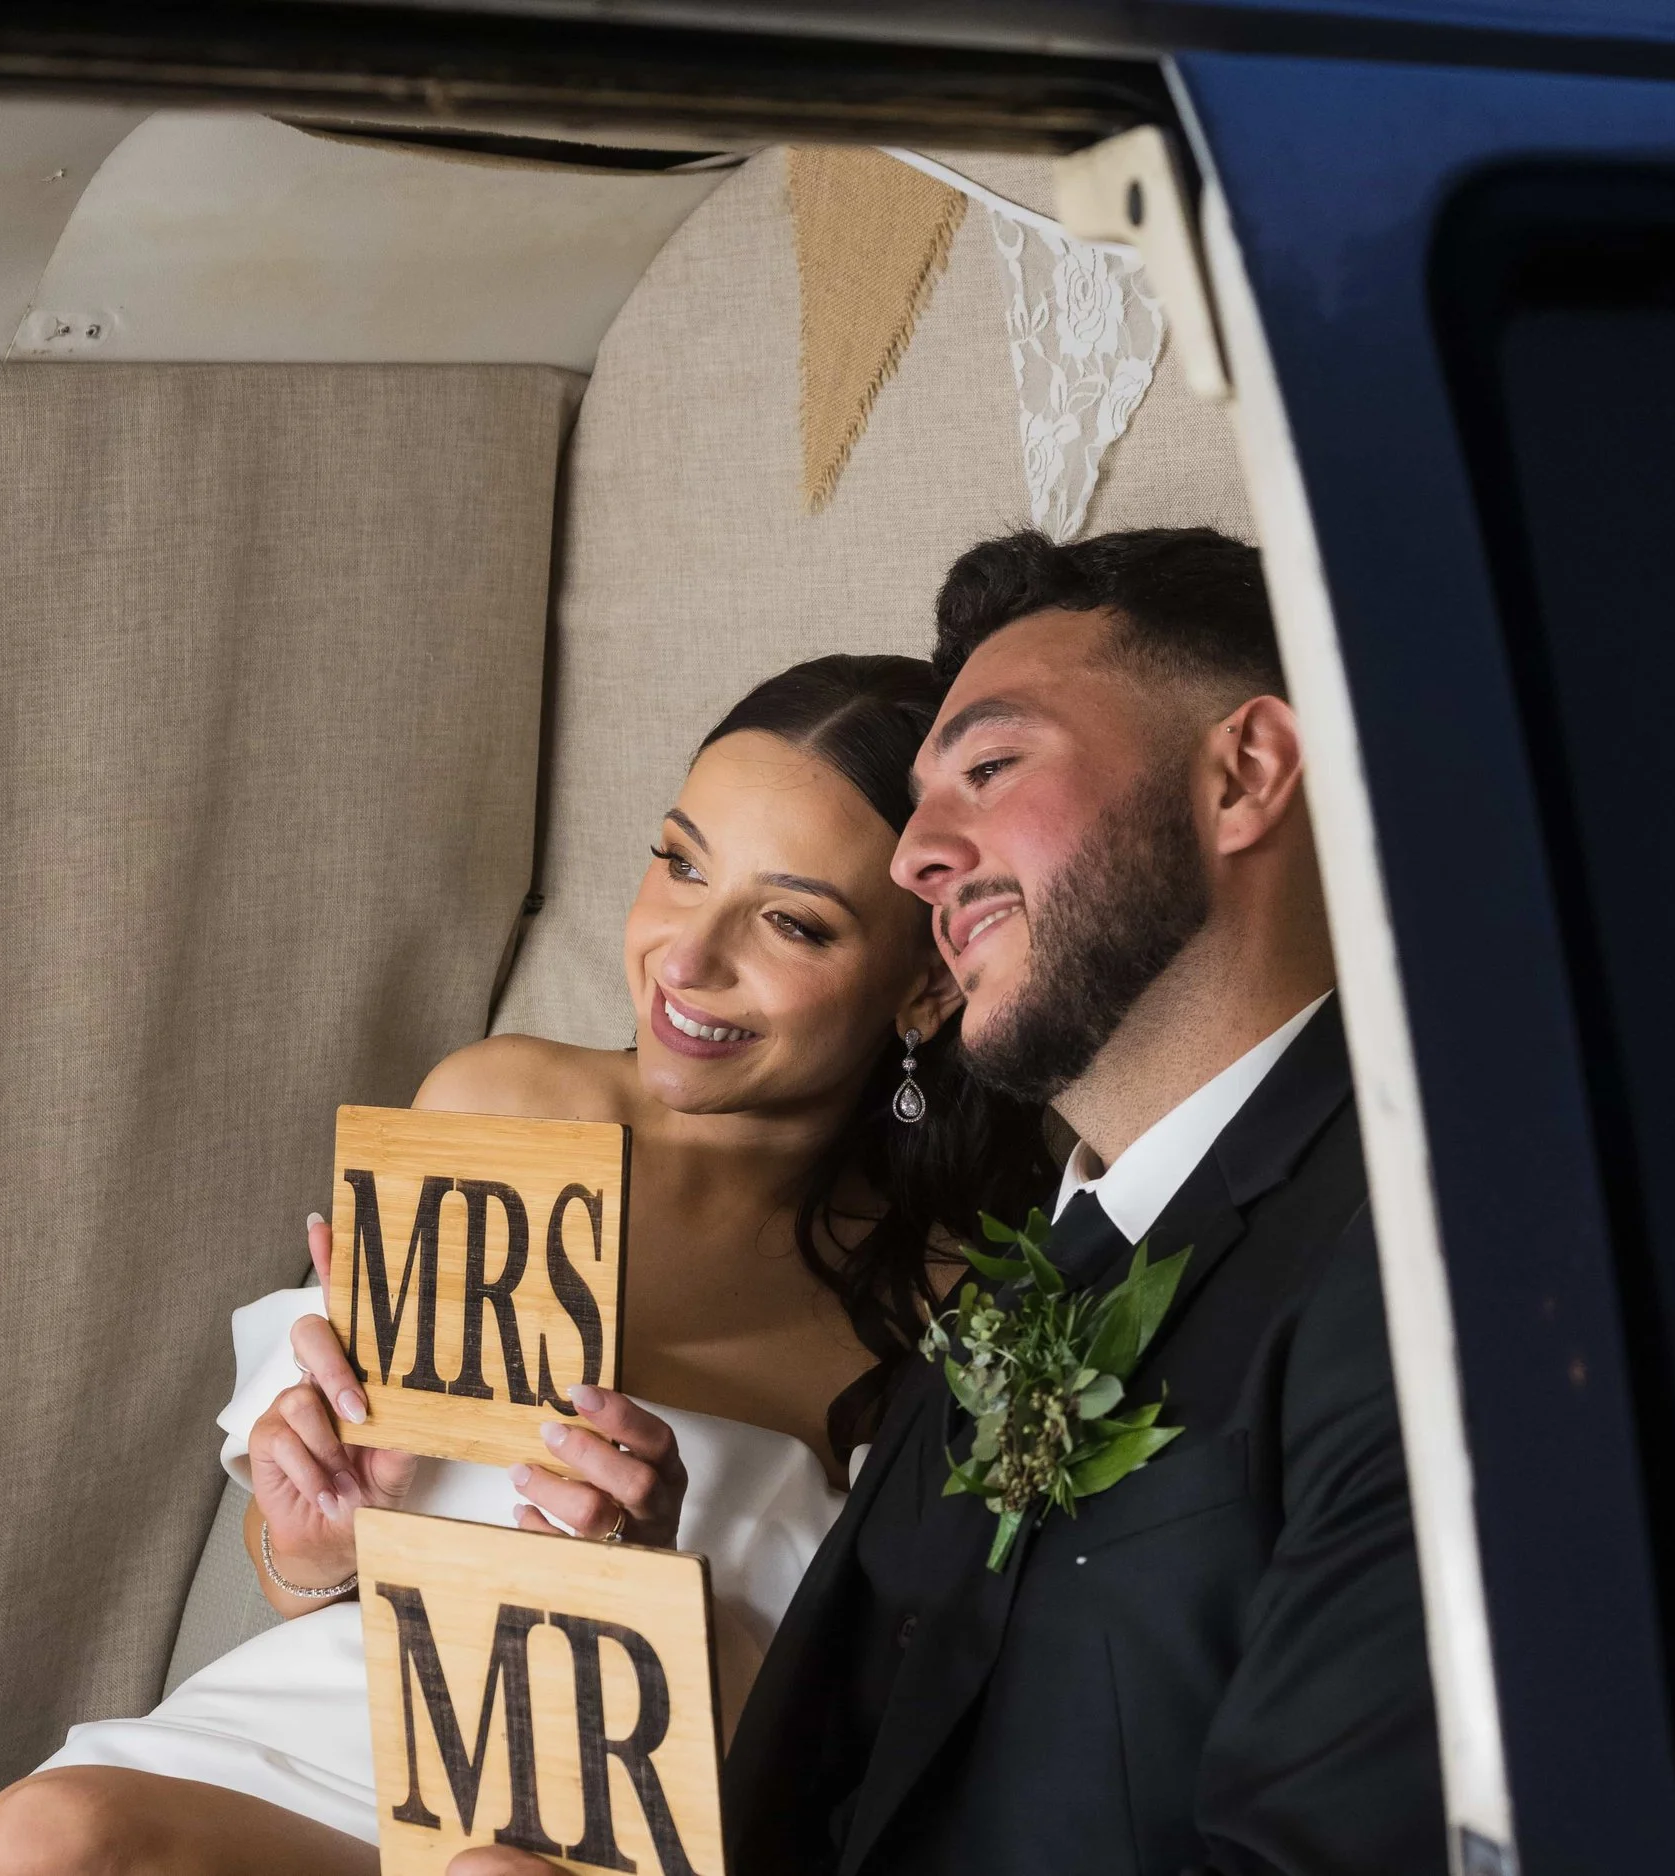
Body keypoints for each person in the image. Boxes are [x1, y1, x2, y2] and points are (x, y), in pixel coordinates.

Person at [0, 654, 1044, 1875]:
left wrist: (648, 1597)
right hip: (271, 1758)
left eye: (789, 920)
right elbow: (304, 1573)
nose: (685, 959)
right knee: (66, 1831)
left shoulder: (959, 1313)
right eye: (679, 862)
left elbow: (870, 1761)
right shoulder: (500, 1107)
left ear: (922, 988)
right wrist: (317, 1539)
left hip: (588, 1835)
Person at [444, 525, 1444, 1876]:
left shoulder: (1416, 1265)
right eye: (920, 808)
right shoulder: (999, 1315)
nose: (920, 856)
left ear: (1244, 773)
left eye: (990, 766)